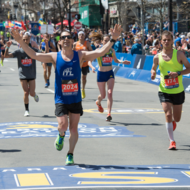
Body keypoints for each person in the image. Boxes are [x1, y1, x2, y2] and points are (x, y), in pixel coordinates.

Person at [11, 24, 122, 165]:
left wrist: (113, 39)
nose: (66, 39)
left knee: (74, 128)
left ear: (72, 41)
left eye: (69, 37)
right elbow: (34, 55)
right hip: (61, 99)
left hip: (75, 99)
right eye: (63, 37)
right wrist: (20, 42)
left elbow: (99, 53)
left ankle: (70, 154)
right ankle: (61, 135)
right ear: (59, 42)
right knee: (63, 126)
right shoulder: (54, 56)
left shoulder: (80, 55)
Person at [151, 30, 190, 150]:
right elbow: (153, 68)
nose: (166, 42)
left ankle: (173, 122)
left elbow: (189, 68)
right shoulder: (157, 57)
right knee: (168, 114)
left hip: (178, 90)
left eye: (168, 39)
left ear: (172, 41)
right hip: (164, 90)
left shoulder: (179, 54)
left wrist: (178, 73)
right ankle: (172, 141)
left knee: (176, 118)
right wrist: (153, 74)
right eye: (164, 40)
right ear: (161, 42)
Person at [88, 34, 131, 121]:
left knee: (110, 93)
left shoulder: (112, 51)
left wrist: (122, 62)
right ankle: (98, 102)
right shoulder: (99, 51)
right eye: (105, 40)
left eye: (108, 40)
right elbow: (90, 60)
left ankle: (109, 113)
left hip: (110, 73)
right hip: (101, 74)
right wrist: (92, 67)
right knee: (103, 96)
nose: (107, 42)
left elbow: (115, 60)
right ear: (102, 42)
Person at [4, 33, 40, 117]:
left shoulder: (32, 50)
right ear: (20, 41)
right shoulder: (19, 51)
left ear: (29, 40)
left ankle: (34, 94)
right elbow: (6, 55)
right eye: (23, 39)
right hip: (23, 75)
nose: (25, 41)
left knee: (31, 93)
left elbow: (44, 53)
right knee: (25, 92)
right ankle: (27, 110)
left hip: (31, 75)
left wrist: (46, 45)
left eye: (26, 39)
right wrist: (7, 47)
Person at [73, 31, 93, 99]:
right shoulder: (75, 44)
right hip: (77, 63)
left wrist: (87, 53)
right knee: (76, 77)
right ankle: (77, 90)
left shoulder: (87, 43)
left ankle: (83, 89)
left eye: (82, 35)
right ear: (78, 36)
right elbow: (72, 53)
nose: (81, 36)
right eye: (80, 35)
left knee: (84, 77)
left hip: (85, 63)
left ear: (84, 36)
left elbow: (91, 52)